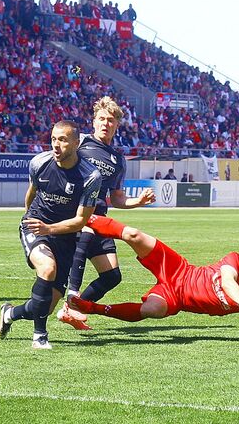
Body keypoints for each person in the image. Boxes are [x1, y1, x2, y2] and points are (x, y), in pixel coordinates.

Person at [67, 214, 239, 347]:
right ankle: (80, 218)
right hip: (178, 270)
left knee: (151, 310)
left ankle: (92, 308)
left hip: (177, 299)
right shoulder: (236, 260)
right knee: (134, 235)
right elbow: (228, 283)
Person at [0, 120, 101, 349]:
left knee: (44, 307)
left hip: (65, 235)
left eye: (62, 139)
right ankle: (39, 336)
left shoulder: (91, 177)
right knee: (47, 267)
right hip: (35, 226)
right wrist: (32, 222)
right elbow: (31, 195)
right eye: (53, 139)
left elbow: (81, 221)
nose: (56, 145)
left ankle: (8, 314)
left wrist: (49, 229)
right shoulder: (39, 162)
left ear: (76, 143)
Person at [59, 97, 155, 331]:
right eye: (101, 119)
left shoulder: (118, 159)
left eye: (110, 120)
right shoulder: (80, 143)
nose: (105, 123)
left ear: (116, 125)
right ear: (93, 122)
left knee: (112, 276)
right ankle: (71, 299)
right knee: (85, 234)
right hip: (78, 215)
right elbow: (58, 164)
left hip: (101, 219)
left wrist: (139, 201)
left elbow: (118, 198)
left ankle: (75, 309)